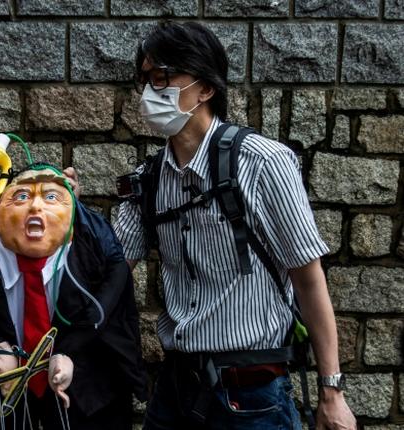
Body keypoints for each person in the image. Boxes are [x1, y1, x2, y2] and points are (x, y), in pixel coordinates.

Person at [65, 21, 355, 430]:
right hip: (175, 388)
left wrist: (332, 392)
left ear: (206, 87)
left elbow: (308, 278)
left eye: (163, 77)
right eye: (145, 80)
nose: (151, 92)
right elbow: (109, 269)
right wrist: (66, 208)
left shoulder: (262, 162)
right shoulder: (147, 181)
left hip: (253, 393)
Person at [0, 165, 145, 430]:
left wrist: (70, 350)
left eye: (51, 197)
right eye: (21, 197)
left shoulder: (96, 251)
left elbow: (110, 295)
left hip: (87, 394)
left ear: (71, 218)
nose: (36, 206)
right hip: (0, 390)